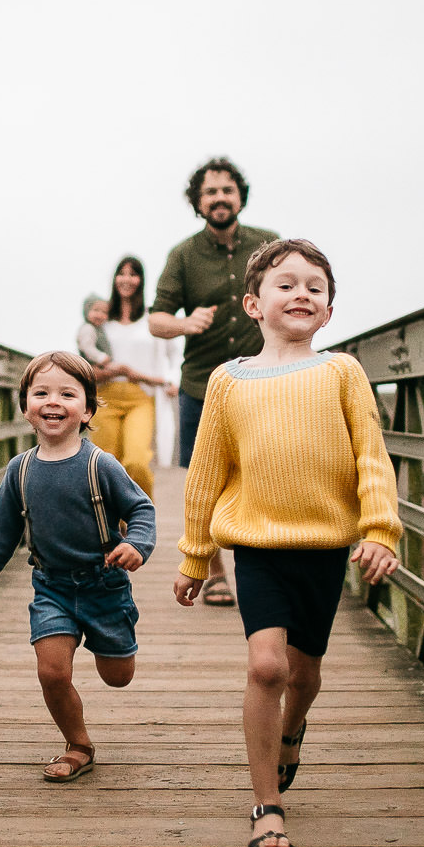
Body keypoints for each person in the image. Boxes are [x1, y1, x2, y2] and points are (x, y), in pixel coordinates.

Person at [172, 239, 402, 847]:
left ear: (327, 311)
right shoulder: (228, 381)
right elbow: (205, 474)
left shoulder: (342, 372)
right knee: (266, 667)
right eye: (286, 284)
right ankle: (266, 805)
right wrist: (196, 556)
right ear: (253, 303)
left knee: (304, 674)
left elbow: (371, 459)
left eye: (315, 288)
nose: (302, 293)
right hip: (259, 544)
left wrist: (380, 530)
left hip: (325, 546)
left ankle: (293, 728)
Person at [0, 351, 157, 782]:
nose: (53, 401)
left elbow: (141, 509)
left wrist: (137, 545)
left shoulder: (100, 464)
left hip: (105, 585)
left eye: (68, 393)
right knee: (51, 671)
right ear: (26, 407)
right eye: (41, 392)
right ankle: (77, 744)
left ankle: (112, 647)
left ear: (87, 409)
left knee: (118, 676)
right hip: (52, 587)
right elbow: (1, 532)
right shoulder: (20, 470)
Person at [148, 157, 279, 606]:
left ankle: (260, 566)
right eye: (210, 192)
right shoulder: (183, 255)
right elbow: (156, 321)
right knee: (201, 483)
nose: (219, 198)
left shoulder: (269, 244)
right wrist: (186, 324)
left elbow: (292, 289)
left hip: (262, 380)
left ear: (239, 195)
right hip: (201, 385)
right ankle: (215, 570)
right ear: (198, 202)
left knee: (263, 475)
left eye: (227, 190)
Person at [87, 256, 177, 500]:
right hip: (105, 398)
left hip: (140, 398)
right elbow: (86, 364)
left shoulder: (150, 319)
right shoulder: (100, 322)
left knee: (136, 462)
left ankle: (141, 520)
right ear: (115, 278)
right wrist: (119, 370)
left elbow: (173, 355)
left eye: (133, 274)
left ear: (141, 280)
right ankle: (114, 531)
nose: (127, 279)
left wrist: (171, 379)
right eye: (122, 273)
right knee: (105, 467)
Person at [75, 294, 112, 370]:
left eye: (104, 312)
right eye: (96, 310)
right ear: (87, 311)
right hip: (92, 366)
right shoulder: (88, 328)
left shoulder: (100, 330)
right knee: (122, 369)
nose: (100, 315)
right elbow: (87, 347)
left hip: (100, 366)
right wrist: (100, 357)